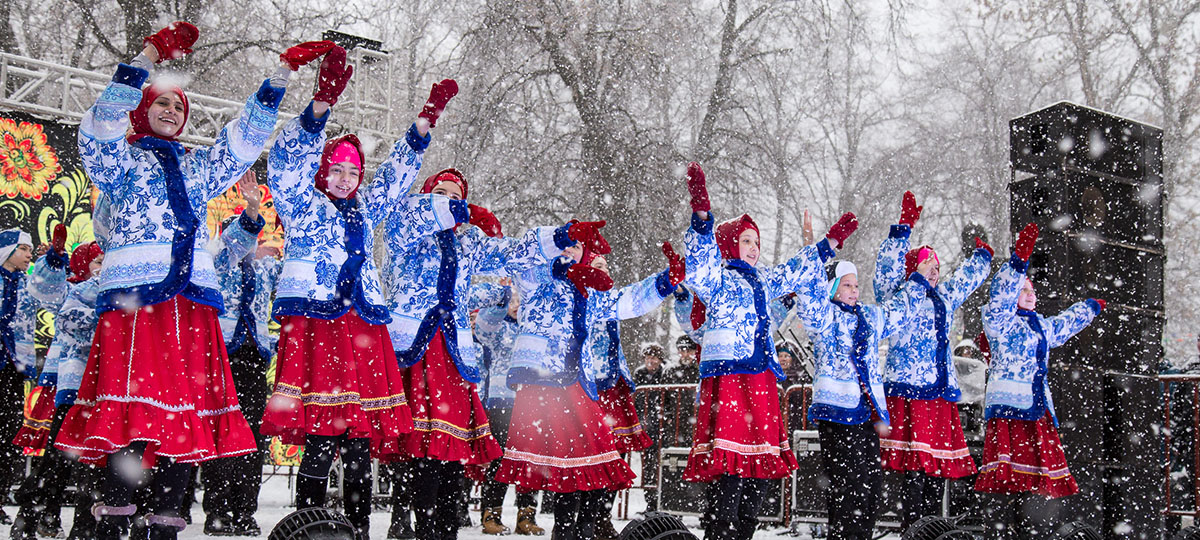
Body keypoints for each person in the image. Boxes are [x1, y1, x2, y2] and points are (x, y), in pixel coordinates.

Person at [55, 22, 286, 540]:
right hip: (136, 302)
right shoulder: (123, 162)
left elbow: (242, 143)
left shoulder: (195, 167)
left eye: (179, 108)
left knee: (184, 416)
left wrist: (278, 79)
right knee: (130, 413)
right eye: (162, 103)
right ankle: (115, 517)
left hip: (191, 305)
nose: (171, 111)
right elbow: (101, 123)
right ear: (143, 108)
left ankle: (164, 523)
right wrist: (147, 57)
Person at [261, 41, 416, 539]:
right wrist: (319, 108)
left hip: (363, 325)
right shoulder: (304, 206)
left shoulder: (367, 208)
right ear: (324, 170)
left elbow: (393, 181)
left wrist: (420, 131)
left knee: (358, 437)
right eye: (339, 168)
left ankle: (357, 526)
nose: (348, 177)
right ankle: (308, 525)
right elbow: (284, 168)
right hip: (319, 324)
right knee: (321, 432)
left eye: (354, 170)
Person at [385, 161, 589, 539]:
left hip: (453, 358)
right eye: (440, 195)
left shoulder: (467, 242)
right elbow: (406, 215)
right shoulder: (407, 233)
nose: (448, 203)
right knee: (414, 448)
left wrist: (558, 238)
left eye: (457, 198)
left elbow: (513, 252)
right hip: (414, 352)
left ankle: (442, 528)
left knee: (447, 453)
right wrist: (456, 210)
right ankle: (404, 519)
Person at [679, 162, 856, 540]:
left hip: (760, 383)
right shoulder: (719, 279)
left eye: (757, 242)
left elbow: (795, 268)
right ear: (729, 244)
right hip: (729, 382)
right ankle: (719, 532)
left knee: (758, 472)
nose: (755, 248)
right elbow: (698, 266)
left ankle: (743, 530)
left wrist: (829, 244)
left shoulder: (764, 279)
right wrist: (701, 216)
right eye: (746, 241)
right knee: (730, 471)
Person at [496, 226, 683, 540]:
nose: (570, 249)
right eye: (565, 244)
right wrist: (558, 237)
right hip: (543, 386)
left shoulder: (587, 290)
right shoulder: (535, 279)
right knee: (574, 470)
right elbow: (521, 257)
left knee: (594, 468)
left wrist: (664, 282)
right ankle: (567, 530)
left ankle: (579, 530)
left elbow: (626, 302)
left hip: (578, 387)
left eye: (577, 245)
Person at [873, 191, 994, 530]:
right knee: (914, 469)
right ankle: (915, 529)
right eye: (928, 265)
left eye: (938, 266)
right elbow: (885, 272)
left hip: (939, 394)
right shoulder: (897, 295)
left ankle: (932, 529)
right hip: (910, 392)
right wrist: (902, 230)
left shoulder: (944, 296)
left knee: (936, 468)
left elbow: (966, 281)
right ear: (913, 268)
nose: (935, 272)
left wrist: (982, 258)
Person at [973, 224, 1104, 535]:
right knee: (1009, 479)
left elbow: (1064, 325)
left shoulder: (1041, 326)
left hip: (1038, 410)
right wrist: (1018, 262)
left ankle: (1032, 527)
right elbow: (1001, 296)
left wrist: (1088, 309)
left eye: (1032, 290)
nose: (1031, 295)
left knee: (1036, 480)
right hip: (1009, 409)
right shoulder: (1000, 322)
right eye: (1025, 290)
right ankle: (1004, 528)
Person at [792, 258, 923, 540]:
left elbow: (897, 312)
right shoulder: (825, 317)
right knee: (847, 487)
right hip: (836, 415)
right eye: (847, 285)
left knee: (870, 486)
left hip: (866, 414)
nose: (854, 290)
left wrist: (918, 281)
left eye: (856, 285)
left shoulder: (868, 316)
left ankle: (860, 535)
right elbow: (810, 303)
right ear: (834, 288)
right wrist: (816, 255)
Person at [202, 171, 282, 536]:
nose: (252, 241)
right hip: (222, 357)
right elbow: (234, 240)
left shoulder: (267, 268)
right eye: (243, 233)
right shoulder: (219, 264)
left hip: (253, 358)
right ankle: (217, 511)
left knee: (251, 436)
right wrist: (251, 210)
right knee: (222, 433)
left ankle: (244, 510)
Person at [11, 236, 98, 540]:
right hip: (67, 387)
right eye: (97, 262)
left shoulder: (111, 292)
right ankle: (32, 516)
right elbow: (45, 291)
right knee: (56, 461)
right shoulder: (73, 290)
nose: (102, 268)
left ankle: (78, 523)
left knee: (89, 464)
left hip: (98, 390)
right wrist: (53, 261)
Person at [473, 283, 545, 536]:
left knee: (530, 461)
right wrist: (500, 304)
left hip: (533, 401)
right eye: (513, 300)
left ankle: (527, 515)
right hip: (502, 400)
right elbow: (482, 331)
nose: (516, 305)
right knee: (500, 459)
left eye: (520, 300)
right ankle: (491, 513)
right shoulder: (498, 326)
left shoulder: (534, 327)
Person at [632, 343, 666, 513]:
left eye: (653, 357)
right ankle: (650, 502)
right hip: (645, 426)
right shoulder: (639, 374)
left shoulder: (666, 374)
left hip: (661, 427)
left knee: (661, 466)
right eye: (647, 358)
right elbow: (636, 400)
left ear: (660, 360)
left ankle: (661, 502)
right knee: (648, 468)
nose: (650, 361)